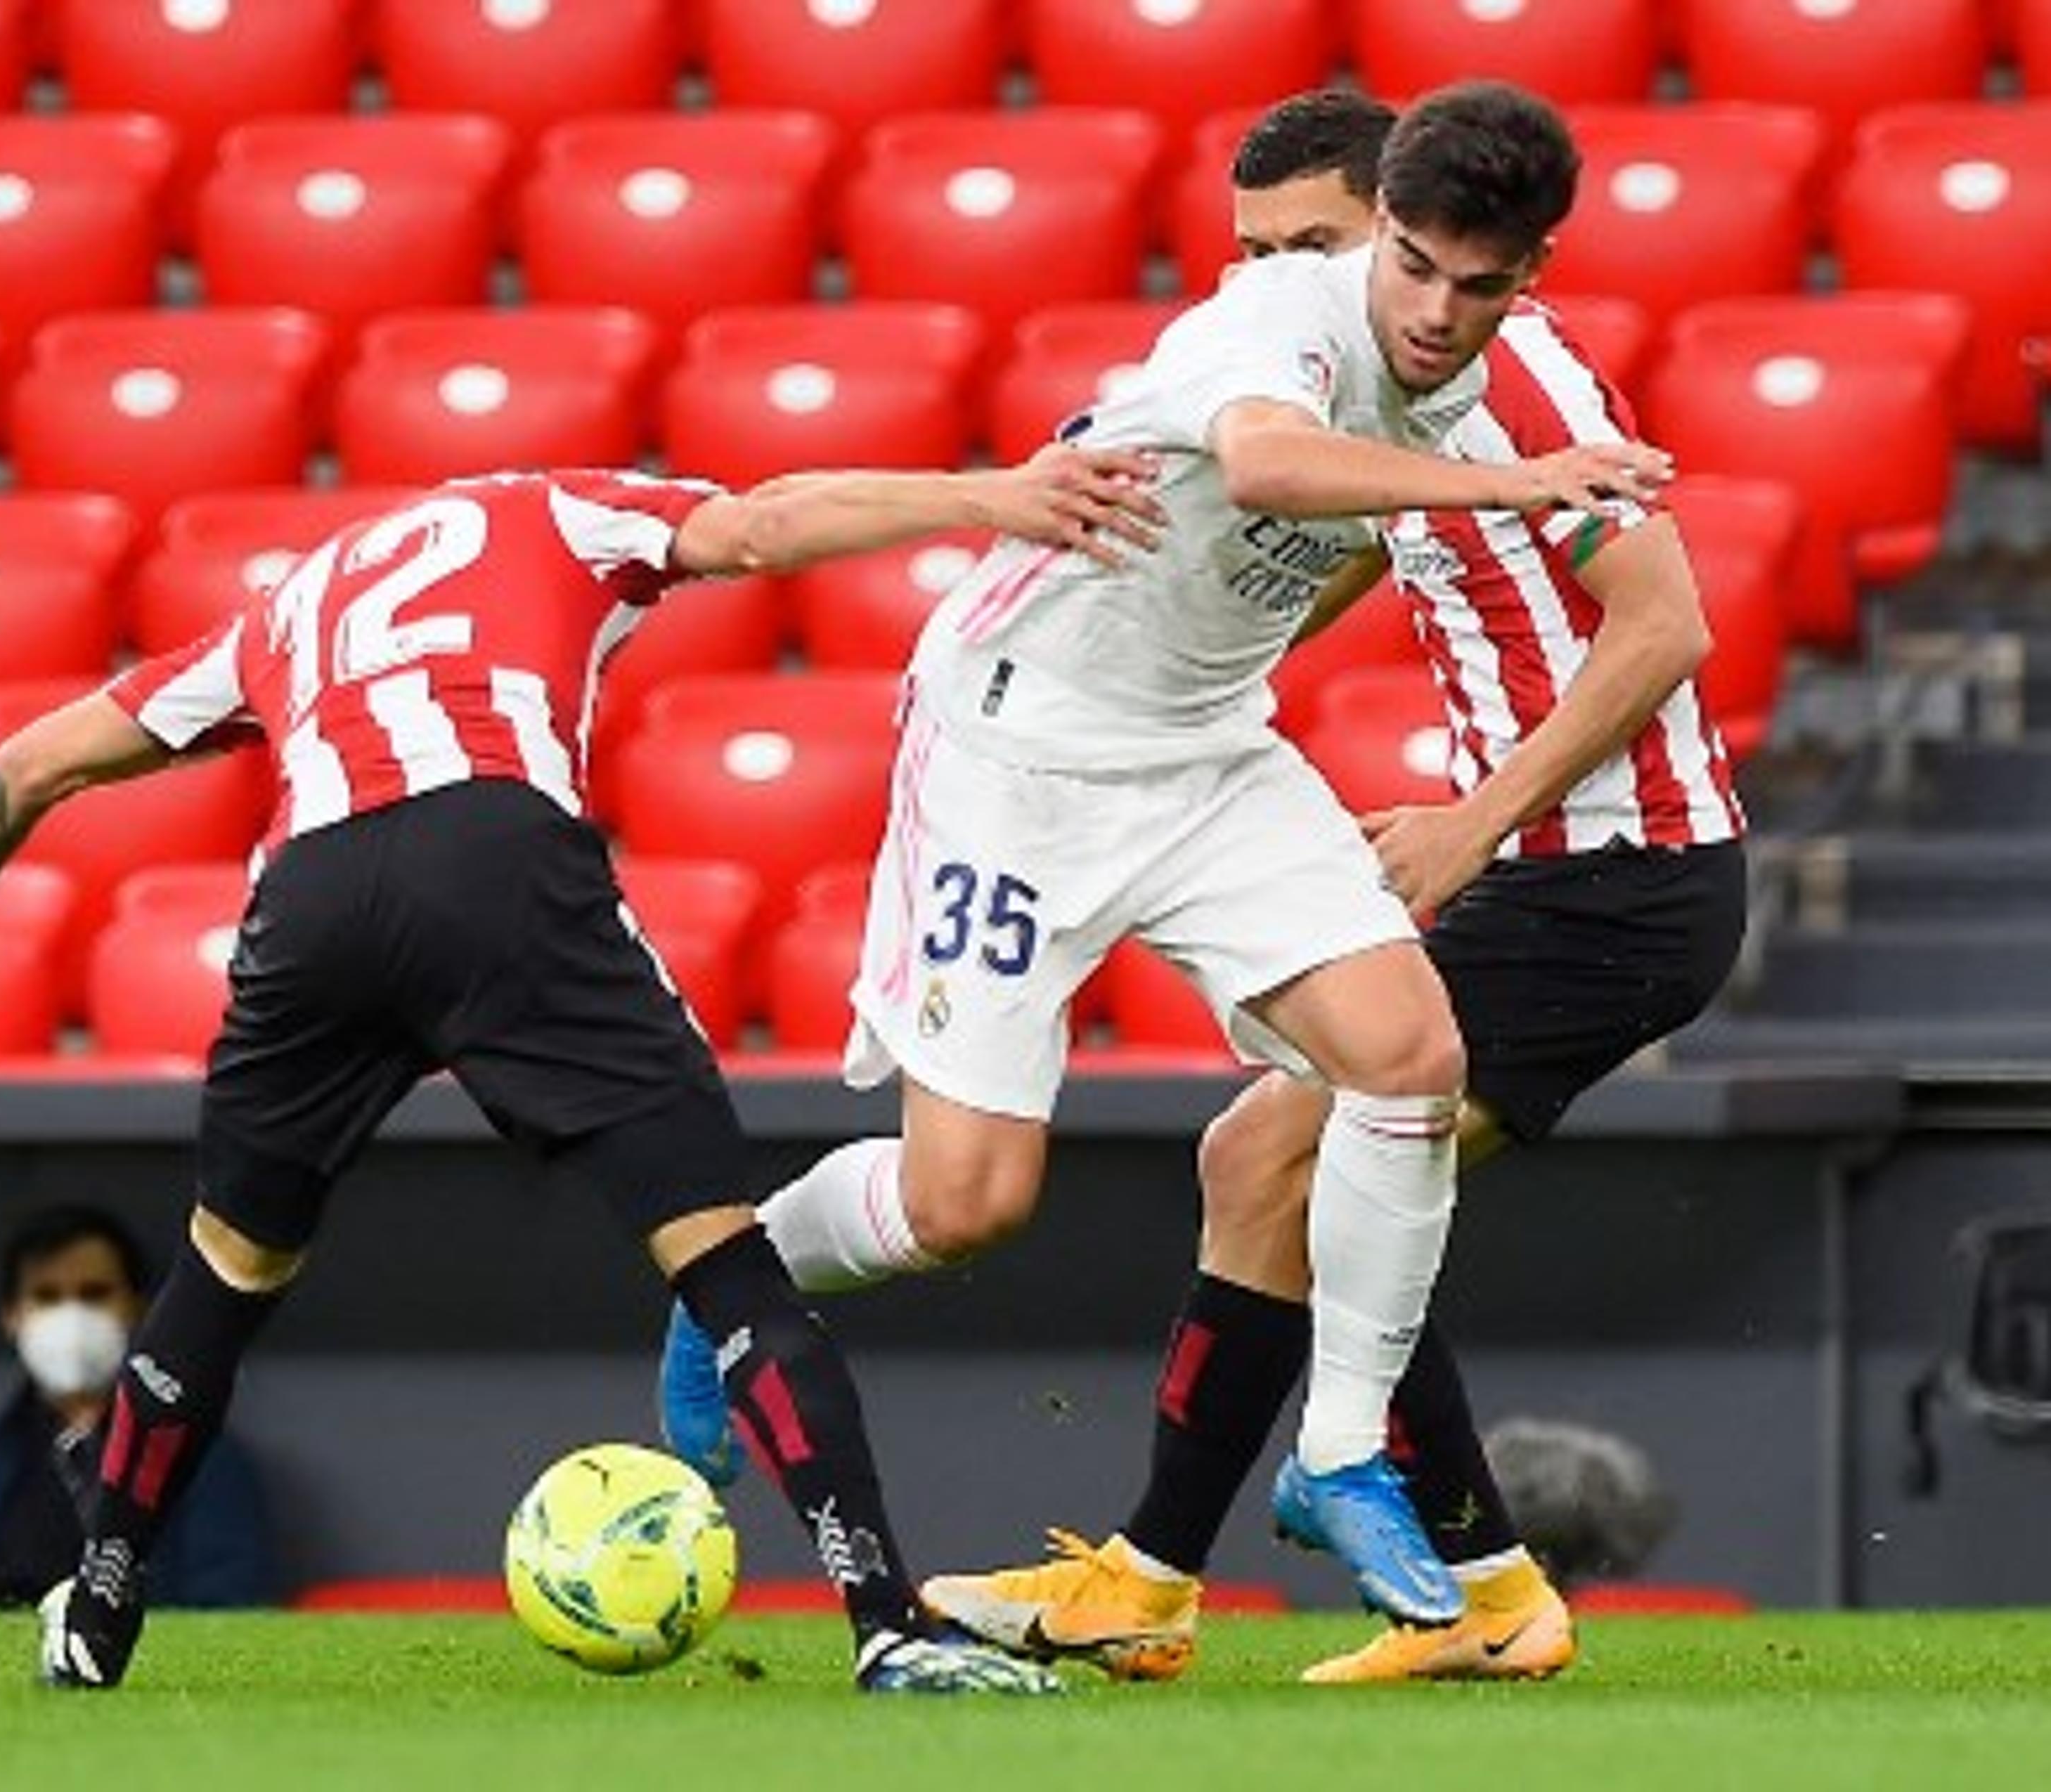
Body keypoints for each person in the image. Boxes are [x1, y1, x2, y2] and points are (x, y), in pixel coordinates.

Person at [0, 448, 1170, 1696]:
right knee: (723, 1261)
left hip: (311, 900)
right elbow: (762, 527)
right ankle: (885, 1621)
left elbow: (33, 761)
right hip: (494, 852)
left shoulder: (291, 608)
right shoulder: (556, 509)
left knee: (224, 1274)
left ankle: (99, 1606)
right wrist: (991, 494)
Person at [654, 80, 1678, 1651]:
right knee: (965, 1203)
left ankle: (1339, 1456)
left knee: (1406, 1056)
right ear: (1376, 230)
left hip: (1204, 751)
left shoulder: (1466, 380)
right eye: (1412, 264)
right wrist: (1518, 486)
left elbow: (1320, 552)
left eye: (1480, 287)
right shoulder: (1278, 319)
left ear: (1526, 277)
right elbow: (1269, 471)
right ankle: (732, 1276)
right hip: (1019, 750)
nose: (1436, 309)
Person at [917, 83, 1747, 1685]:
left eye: (1305, 241)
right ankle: (1466, 1591)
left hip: (1615, 878)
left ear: (1397, 223)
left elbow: (1662, 624)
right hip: (1570, 870)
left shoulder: (1512, 374)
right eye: (1253, 251)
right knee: (1296, 1174)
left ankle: (1173, 1583)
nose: (1273, 278)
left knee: (1294, 1163)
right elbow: (1373, 534)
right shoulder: (1369, 379)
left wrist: (1471, 821)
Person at [0, 1204, 276, 1611]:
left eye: (94, 1294)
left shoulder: (202, 1460)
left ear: (136, 1307)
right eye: (47, 1297)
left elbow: (233, 1607)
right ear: (11, 1316)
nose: (72, 1315)